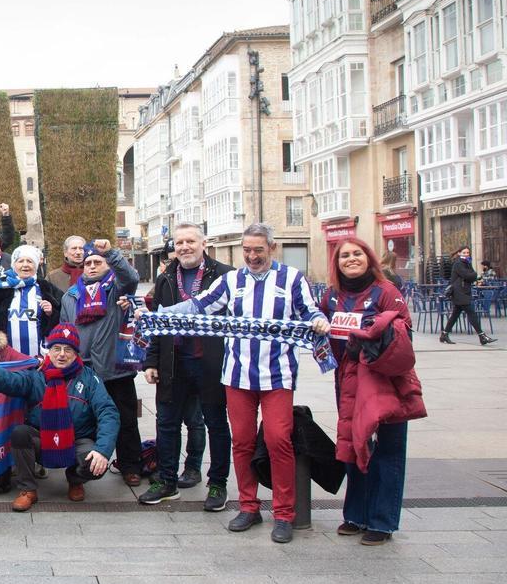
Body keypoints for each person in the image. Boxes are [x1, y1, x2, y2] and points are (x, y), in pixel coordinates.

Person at [161, 223, 329, 543]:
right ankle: (249, 505)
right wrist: (162, 314)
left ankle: (283, 512)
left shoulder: (291, 279)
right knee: (242, 441)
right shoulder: (231, 281)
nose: (252, 256)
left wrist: (317, 321)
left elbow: (310, 312)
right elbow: (199, 306)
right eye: (247, 250)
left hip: (278, 376)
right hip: (237, 375)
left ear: (272, 248)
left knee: (280, 440)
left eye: (258, 250)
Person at [321, 237, 425, 546]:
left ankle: (382, 521)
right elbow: (318, 330)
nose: (351, 259)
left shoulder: (386, 292)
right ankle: (356, 514)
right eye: (344, 256)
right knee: (354, 445)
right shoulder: (331, 297)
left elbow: (404, 339)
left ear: (368, 258)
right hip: (348, 382)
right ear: (336, 264)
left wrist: (368, 339)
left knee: (388, 452)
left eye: (356, 254)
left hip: (385, 382)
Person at [0, 324, 119, 512]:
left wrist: (102, 450)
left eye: (68, 349)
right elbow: (9, 381)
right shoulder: (36, 376)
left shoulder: (89, 378)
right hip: (42, 438)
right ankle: (28, 490)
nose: (61, 354)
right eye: (56, 348)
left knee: (95, 464)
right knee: (20, 434)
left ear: (76, 353)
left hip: (78, 439)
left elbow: (108, 412)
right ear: (49, 350)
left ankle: (75, 479)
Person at [138, 223, 234, 511]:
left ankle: (217, 483)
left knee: (215, 424)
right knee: (166, 423)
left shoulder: (224, 275)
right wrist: (152, 361)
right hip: (173, 362)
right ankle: (167, 482)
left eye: (190, 241)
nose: (184, 247)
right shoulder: (167, 276)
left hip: (210, 362)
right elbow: (158, 322)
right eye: (179, 243)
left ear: (204, 244)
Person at [59, 240, 142, 486]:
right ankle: (85, 467)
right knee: (86, 421)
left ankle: (130, 466)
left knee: (126, 420)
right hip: (85, 370)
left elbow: (131, 277)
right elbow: (66, 331)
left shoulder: (117, 289)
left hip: (116, 369)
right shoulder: (71, 296)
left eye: (98, 262)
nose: (92, 266)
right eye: (88, 263)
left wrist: (111, 254)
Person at [0, 245, 62, 358]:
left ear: (36, 265)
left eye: (29, 261)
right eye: (20, 261)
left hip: (39, 358)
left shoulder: (46, 289)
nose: (25, 265)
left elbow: (61, 320)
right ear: (14, 265)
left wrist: (51, 313)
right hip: (5, 358)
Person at [441, 246, 496, 345]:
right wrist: (473, 274)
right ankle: (482, 336)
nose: (466, 254)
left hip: (463, 292)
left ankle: (444, 334)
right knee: (471, 313)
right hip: (460, 293)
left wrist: (472, 275)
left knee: (455, 315)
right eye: (464, 252)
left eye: (468, 253)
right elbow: (469, 275)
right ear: (459, 253)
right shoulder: (458, 263)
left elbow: (472, 276)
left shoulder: (466, 263)